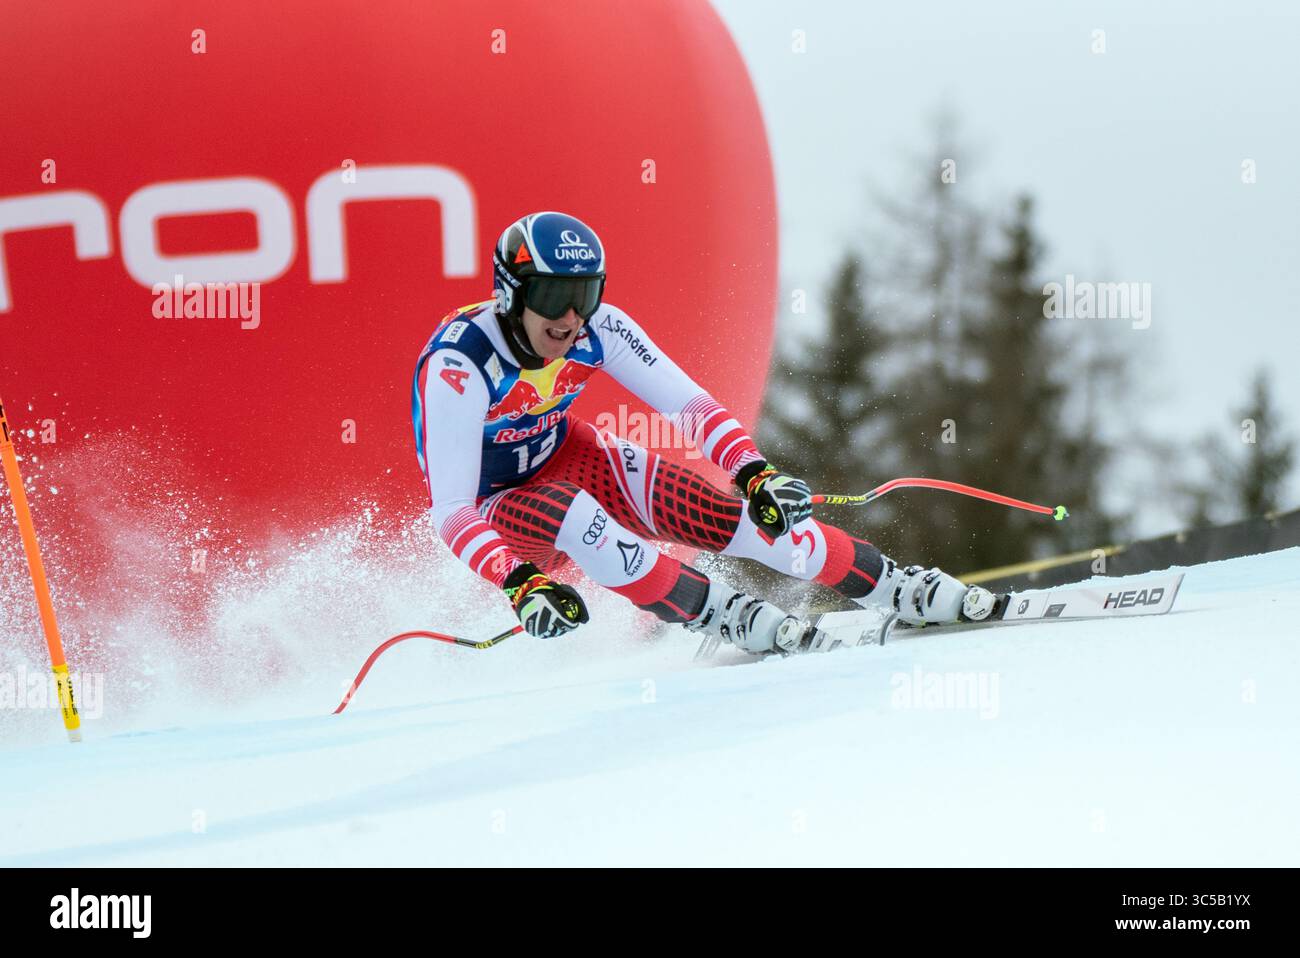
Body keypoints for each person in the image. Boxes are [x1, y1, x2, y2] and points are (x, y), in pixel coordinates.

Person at [413, 211, 996, 654]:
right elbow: (453, 512)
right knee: (578, 518)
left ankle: (895, 586)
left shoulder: (600, 328)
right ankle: (718, 612)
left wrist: (753, 472)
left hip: (566, 453)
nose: (571, 318)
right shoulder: (459, 364)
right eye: (553, 297)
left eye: (585, 294)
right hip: (500, 514)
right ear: (511, 293)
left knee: (733, 516)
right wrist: (520, 583)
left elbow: (689, 406)